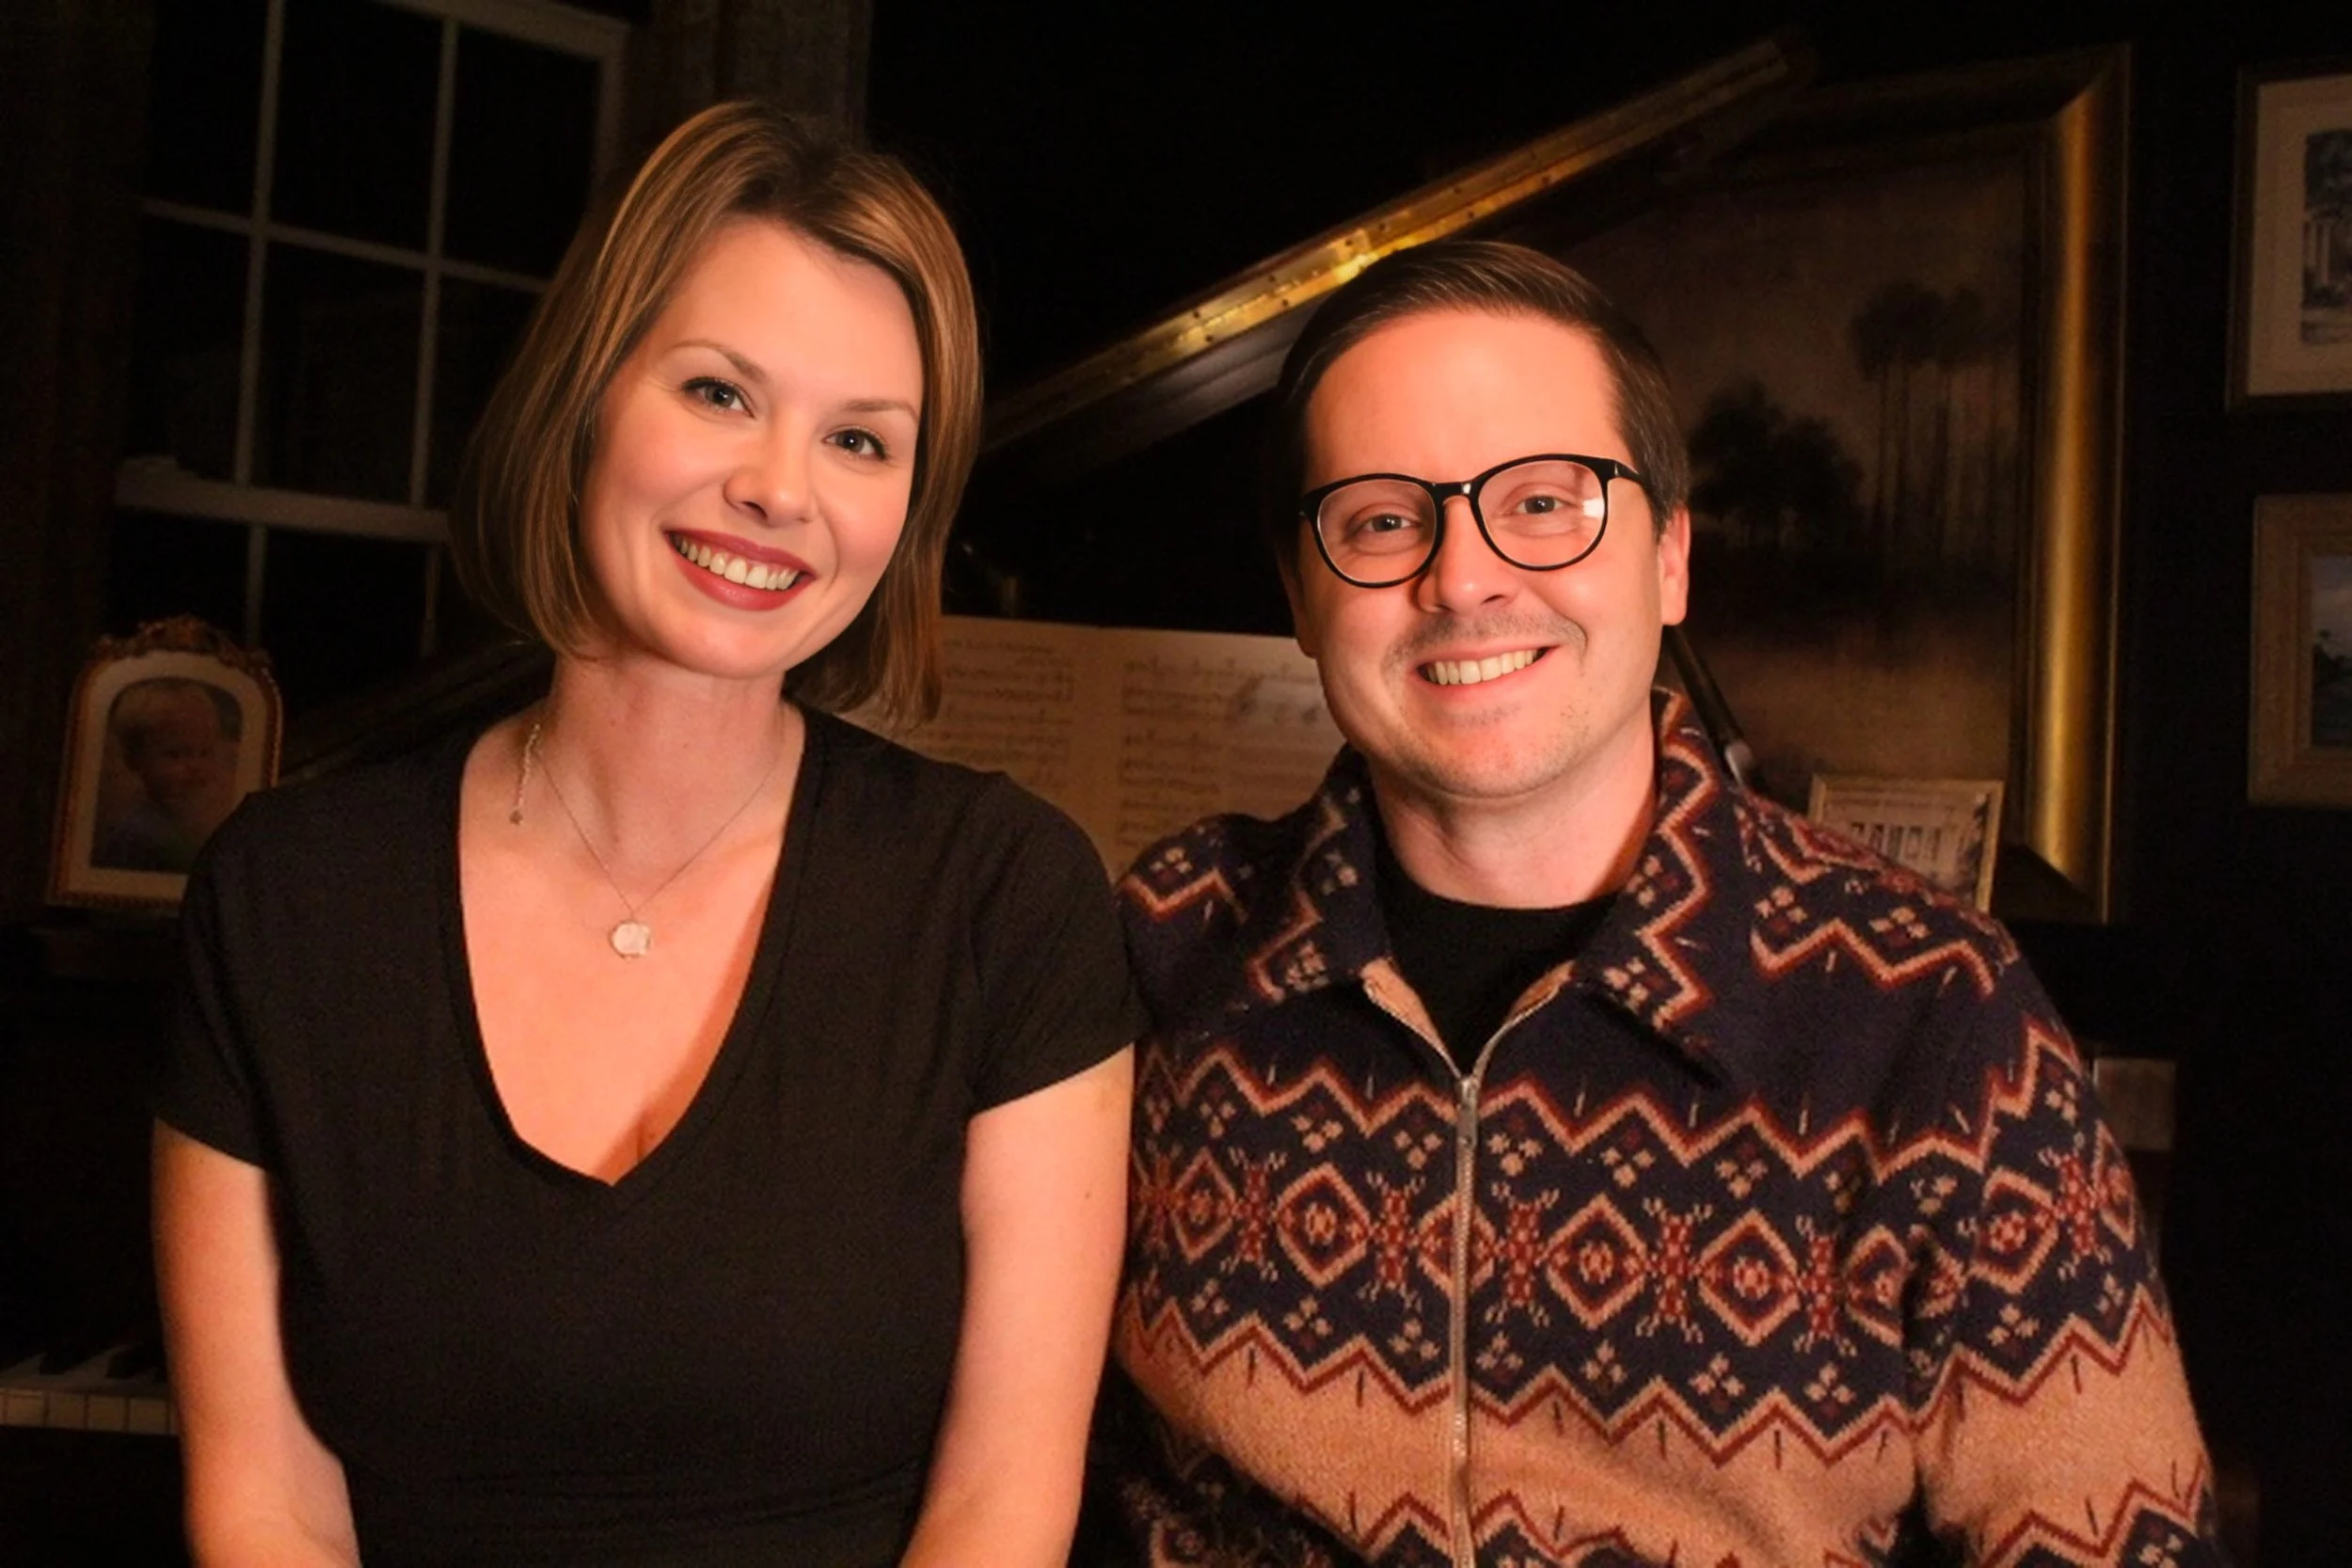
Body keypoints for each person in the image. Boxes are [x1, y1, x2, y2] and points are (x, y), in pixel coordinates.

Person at [1095, 241, 2223, 1564]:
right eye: (1383, 521)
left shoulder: (1933, 1009)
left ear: (1671, 556)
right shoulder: (1164, 941)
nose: (1463, 578)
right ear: (1299, 592)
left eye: (1543, 502)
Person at [153, 102, 1139, 1566]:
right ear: (582, 400)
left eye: (860, 439)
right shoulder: (284, 890)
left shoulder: (1007, 894)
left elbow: (999, 1507)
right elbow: (268, 1499)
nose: (782, 488)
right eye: (720, 392)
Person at [92, 677, 240, 873]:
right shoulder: (140, 833)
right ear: (134, 760)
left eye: (204, 752)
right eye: (175, 755)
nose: (195, 766)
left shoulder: (195, 817)